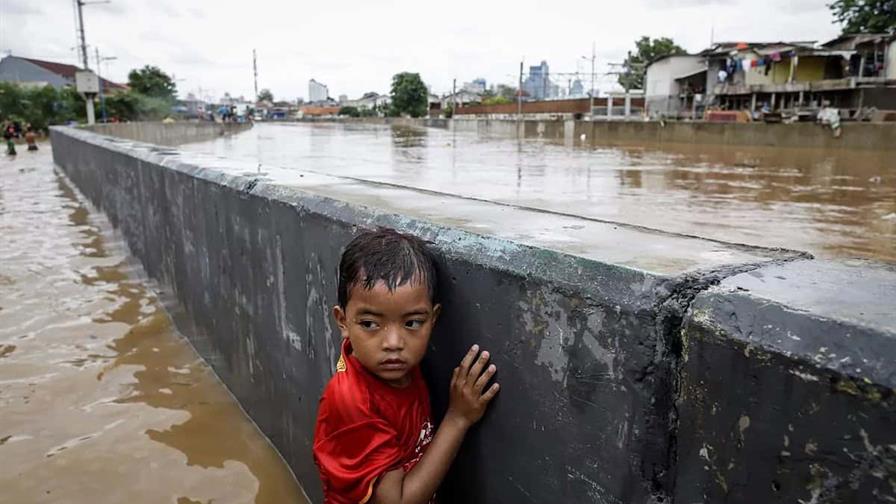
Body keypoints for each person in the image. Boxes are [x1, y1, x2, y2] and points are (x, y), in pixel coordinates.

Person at [313, 229, 500, 504]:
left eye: (412, 323)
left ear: (433, 319)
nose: (393, 343)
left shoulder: (398, 368)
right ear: (343, 321)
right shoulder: (353, 401)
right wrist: (457, 418)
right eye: (369, 324)